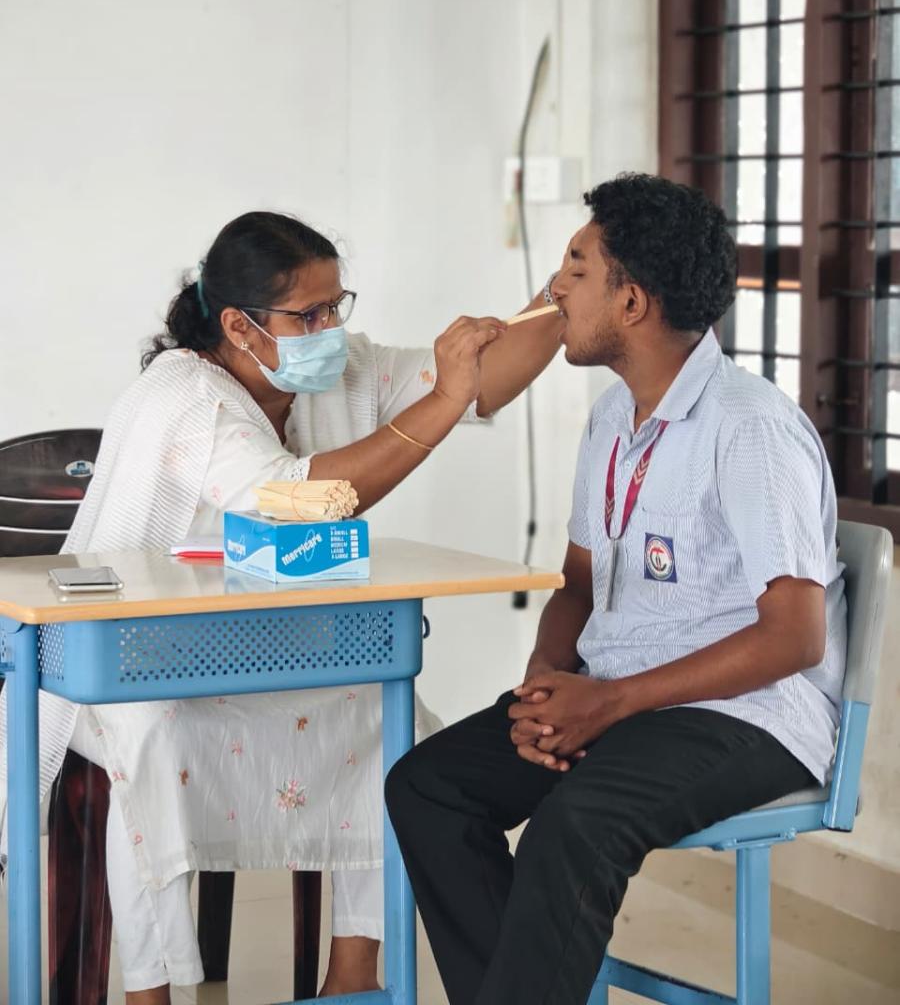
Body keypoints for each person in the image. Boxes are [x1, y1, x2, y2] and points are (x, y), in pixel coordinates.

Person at [0, 210, 562, 1004]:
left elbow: (482, 380)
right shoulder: (185, 397)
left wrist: (562, 294)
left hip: (253, 655)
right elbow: (298, 502)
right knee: (153, 738)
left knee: (394, 720)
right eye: (309, 314)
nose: (330, 329)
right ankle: (150, 994)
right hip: (123, 664)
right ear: (239, 325)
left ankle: (352, 977)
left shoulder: (335, 369)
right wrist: (439, 405)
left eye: (337, 306)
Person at [386, 173, 847, 1005]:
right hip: (621, 694)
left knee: (576, 823)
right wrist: (542, 686)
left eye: (576, 267)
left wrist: (609, 702)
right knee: (428, 787)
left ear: (631, 302)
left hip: (745, 713)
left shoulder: (750, 427)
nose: (554, 288)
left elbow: (794, 637)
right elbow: (579, 585)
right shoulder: (611, 417)